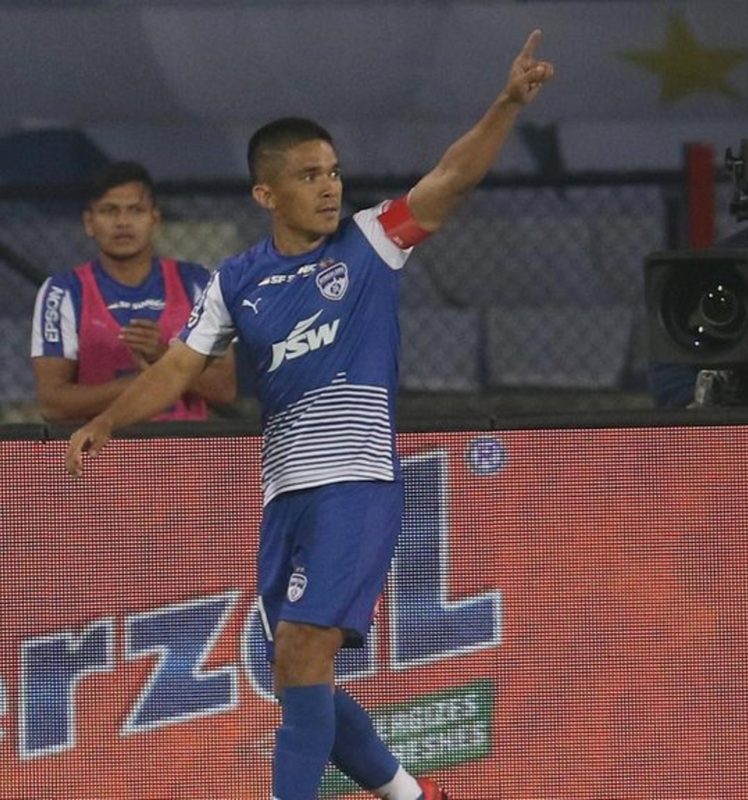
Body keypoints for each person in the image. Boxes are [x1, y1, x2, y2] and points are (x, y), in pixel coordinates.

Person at [65, 30, 554, 800]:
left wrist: (505, 104)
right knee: (295, 672)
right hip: (285, 496)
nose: (329, 188)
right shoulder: (237, 280)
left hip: (355, 485)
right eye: (308, 175)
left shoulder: (371, 243)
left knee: (301, 652)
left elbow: (452, 178)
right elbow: (181, 368)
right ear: (267, 194)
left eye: (333, 172)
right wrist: (106, 422)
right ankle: (414, 797)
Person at [31, 160, 236, 422]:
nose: (123, 222)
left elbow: (224, 389)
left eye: (136, 210)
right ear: (89, 222)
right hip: (103, 447)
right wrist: (152, 381)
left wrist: (162, 356)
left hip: (182, 447)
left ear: (155, 218)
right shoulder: (62, 292)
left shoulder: (199, 283)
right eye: (109, 210)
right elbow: (52, 404)